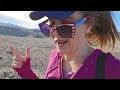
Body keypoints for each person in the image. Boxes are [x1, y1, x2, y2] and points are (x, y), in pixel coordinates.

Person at [10, 11, 120, 79]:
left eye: (65, 25)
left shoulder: (112, 68)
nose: (54, 33)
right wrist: (26, 72)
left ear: (88, 24)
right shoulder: (54, 57)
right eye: (51, 24)